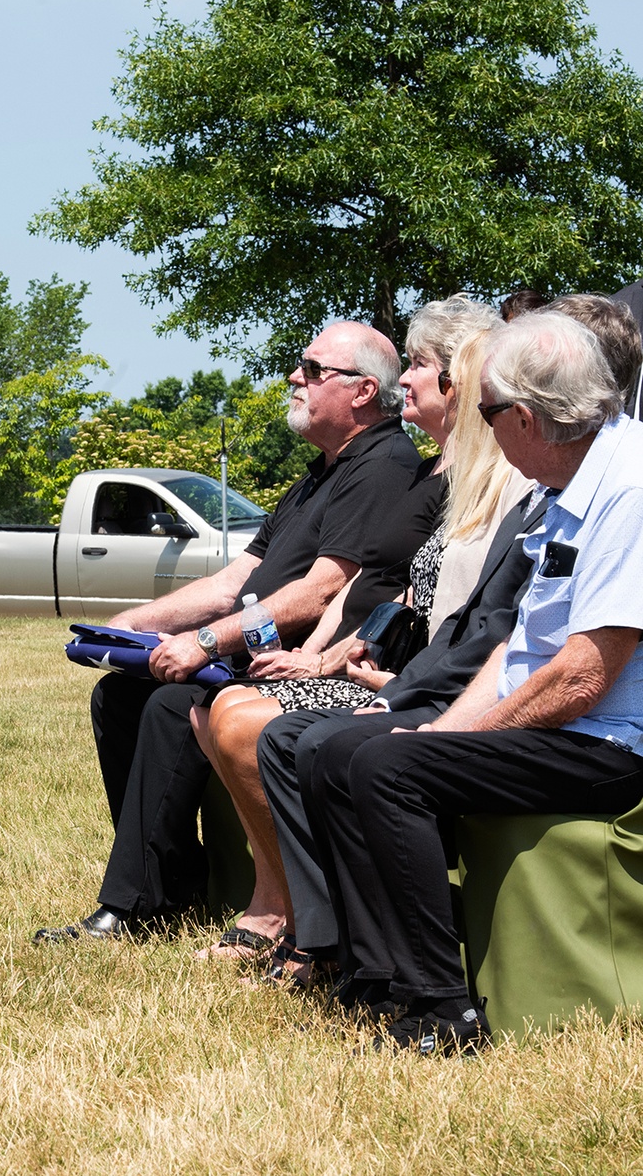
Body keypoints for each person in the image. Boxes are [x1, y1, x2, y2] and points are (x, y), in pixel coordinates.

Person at [254, 293, 642, 992]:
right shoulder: (567, 487)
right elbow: (516, 647)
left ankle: (437, 1002)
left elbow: (584, 676)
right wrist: (440, 729)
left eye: (487, 413)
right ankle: (373, 974)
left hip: (610, 744)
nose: (483, 430)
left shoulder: (629, 489)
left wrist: (455, 741)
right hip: (564, 723)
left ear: (523, 418)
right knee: (347, 749)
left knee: (387, 769)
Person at [35, 321, 436, 941]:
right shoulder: (320, 472)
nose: (294, 378)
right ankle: (175, 882)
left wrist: (205, 643)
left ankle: (140, 904)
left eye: (312, 368)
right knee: (118, 695)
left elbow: (321, 590)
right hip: (252, 656)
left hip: (305, 665)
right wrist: (133, 624)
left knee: (173, 703)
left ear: (361, 392)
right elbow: (237, 579)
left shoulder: (383, 466)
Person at [189, 297, 525, 962]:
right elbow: (384, 591)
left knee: (254, 722)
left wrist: (376, 679)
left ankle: (306, 928)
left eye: (422, 365)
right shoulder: (429, 472)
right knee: (215, 706)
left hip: (434, 686)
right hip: (406, 674)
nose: (407, 377)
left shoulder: (494, 480)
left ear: (459, 378)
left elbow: (472, 624)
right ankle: (285, 910)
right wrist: (322, 658)